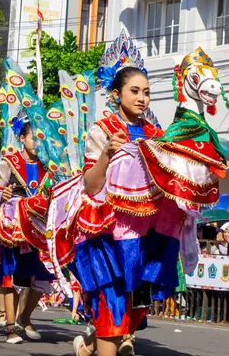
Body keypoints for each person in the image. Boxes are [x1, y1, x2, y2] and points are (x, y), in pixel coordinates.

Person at [71, 64, 164, 356]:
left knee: (136, 307)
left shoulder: (157, 135)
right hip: (108, 236)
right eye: (134, 91)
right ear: (116, 94)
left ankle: (87, 346)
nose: (142, 98)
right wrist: (108, 153)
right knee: (112, 308)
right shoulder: (102, 131)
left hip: (147, 237)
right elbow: (90, 185)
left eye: (146, 93)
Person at [0, 120, 55, 344]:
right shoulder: (9, 162)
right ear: (22, 138)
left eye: (41, 138)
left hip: (37, 229)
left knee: (43, 274)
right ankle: (10, 327)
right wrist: (3, 196)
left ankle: (25, 317)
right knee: (10, 276)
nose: (38, 143)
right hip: (12, 228)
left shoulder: (47, 166)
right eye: (33, 137)